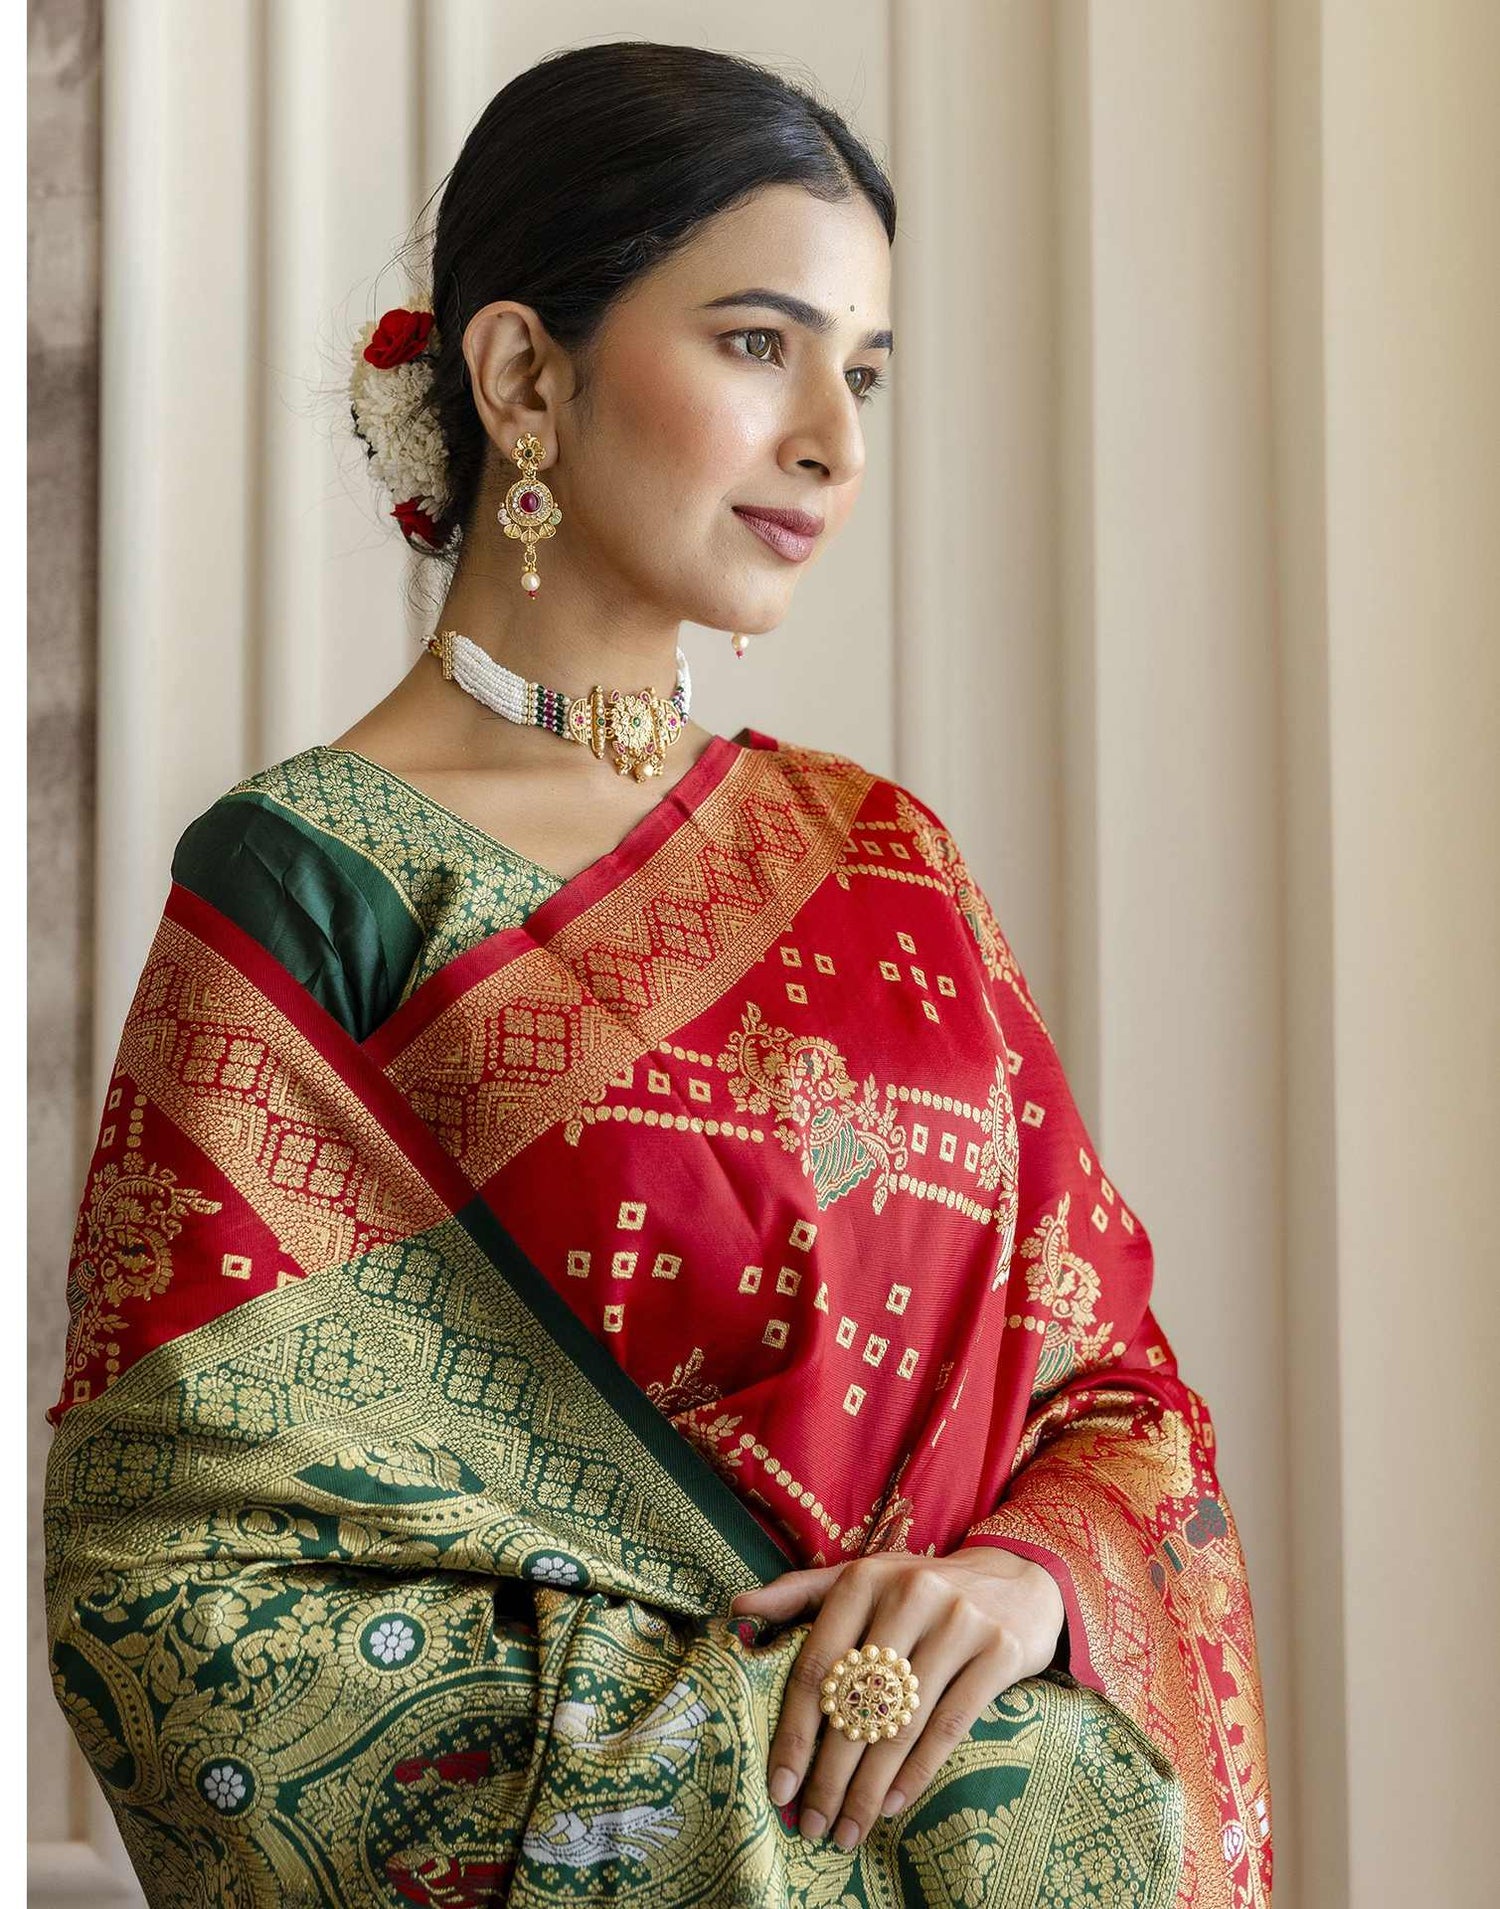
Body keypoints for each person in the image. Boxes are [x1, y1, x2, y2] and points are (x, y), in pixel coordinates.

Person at [42, 40, 1271, 1909]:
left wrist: (1023, 1588)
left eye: (862, 372)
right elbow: (174, 1587)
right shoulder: (313, 886)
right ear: (526, 373)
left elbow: (1117, 1395)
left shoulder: (891, 861)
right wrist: (796, 1760)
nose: (836, 442)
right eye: (760, 345)